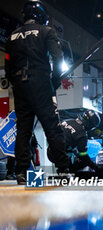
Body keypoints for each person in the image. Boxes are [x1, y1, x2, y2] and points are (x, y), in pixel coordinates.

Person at [4, 0, 70, 184]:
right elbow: (58, 59)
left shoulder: (11, 37)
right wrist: (54, 82)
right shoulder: (47, 32)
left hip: (19, 85)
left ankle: (21, 172)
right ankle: (63, 169)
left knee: (23, 130)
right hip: (41, 82)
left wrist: (16, 82)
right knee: (52, 127)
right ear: (41, 16)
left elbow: (8, 66)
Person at [47, 110, 100, 174]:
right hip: (60, 157)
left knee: (71, 152)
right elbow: (84, 156)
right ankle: (67, 171)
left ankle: (63, 170)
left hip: (50, 151)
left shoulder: (69, 120)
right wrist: (95, 167)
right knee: (84, 162)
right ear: (90, 125)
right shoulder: (82, 134)